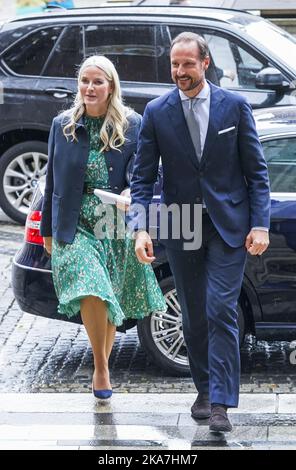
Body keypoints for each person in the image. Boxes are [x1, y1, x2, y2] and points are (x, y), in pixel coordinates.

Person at [129, 32, 270, 432]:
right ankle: (205, 390)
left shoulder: (236, 107)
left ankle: (222, 402)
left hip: (229, 226)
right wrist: (141, 229)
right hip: (181, 223)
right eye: (175, 64)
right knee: (192, 316)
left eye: (187, 64)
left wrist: (259, 224)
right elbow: (142, 179)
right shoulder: (157, 111)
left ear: (205, 63)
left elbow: (256, 173)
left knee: (220, 308)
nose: (180, 72)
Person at [40, 55, 167, 400]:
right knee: (92, 287)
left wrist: (130, 190)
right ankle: (102, 367)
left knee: (107, 296)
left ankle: (101, 365)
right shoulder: (62, 124)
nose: (90, 87)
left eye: (98, 81)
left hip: (113, 221)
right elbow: (52, 182)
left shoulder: (133, 123)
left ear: (111, 86)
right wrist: (47, 230)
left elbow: (149, 173)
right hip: (74, 222)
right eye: (84, 81)